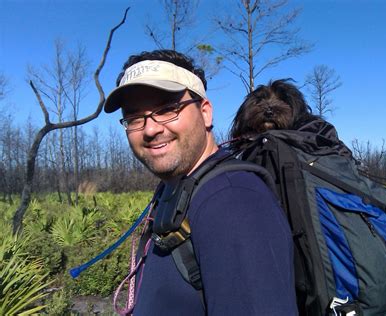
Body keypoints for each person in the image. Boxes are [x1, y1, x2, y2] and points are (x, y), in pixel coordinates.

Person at [103, 50, 297, 315]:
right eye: (135, 117)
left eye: (168, 109)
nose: (150, 129)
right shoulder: (178, 189)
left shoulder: (234, 201)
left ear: (205, 112)